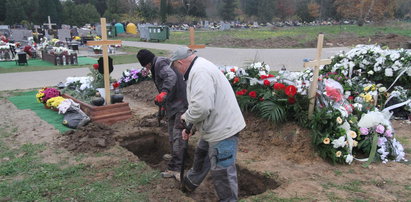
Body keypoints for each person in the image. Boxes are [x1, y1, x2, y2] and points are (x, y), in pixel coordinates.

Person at [171, 46, 246, 201]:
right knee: (202, 154)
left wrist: (186, 118)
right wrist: (190, 127)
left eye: (175, 68)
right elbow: (199, 103)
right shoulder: (197, 68)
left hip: (223, 128)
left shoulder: (200, 72)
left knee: (222, 171)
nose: (177, 72)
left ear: (180, 63)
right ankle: (189, 184)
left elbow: (202, 108)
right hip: (213, 126)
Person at [137, 49, 188, 181]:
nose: (147, 69)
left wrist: (164, 92)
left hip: (180, 105)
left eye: (146, 66)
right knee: (171, 135)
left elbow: (171, 76)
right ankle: (175, 159)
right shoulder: (157, 64)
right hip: (173, 105)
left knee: (178, 137)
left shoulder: (160, 64)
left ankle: (176, 169)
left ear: (148, 63)